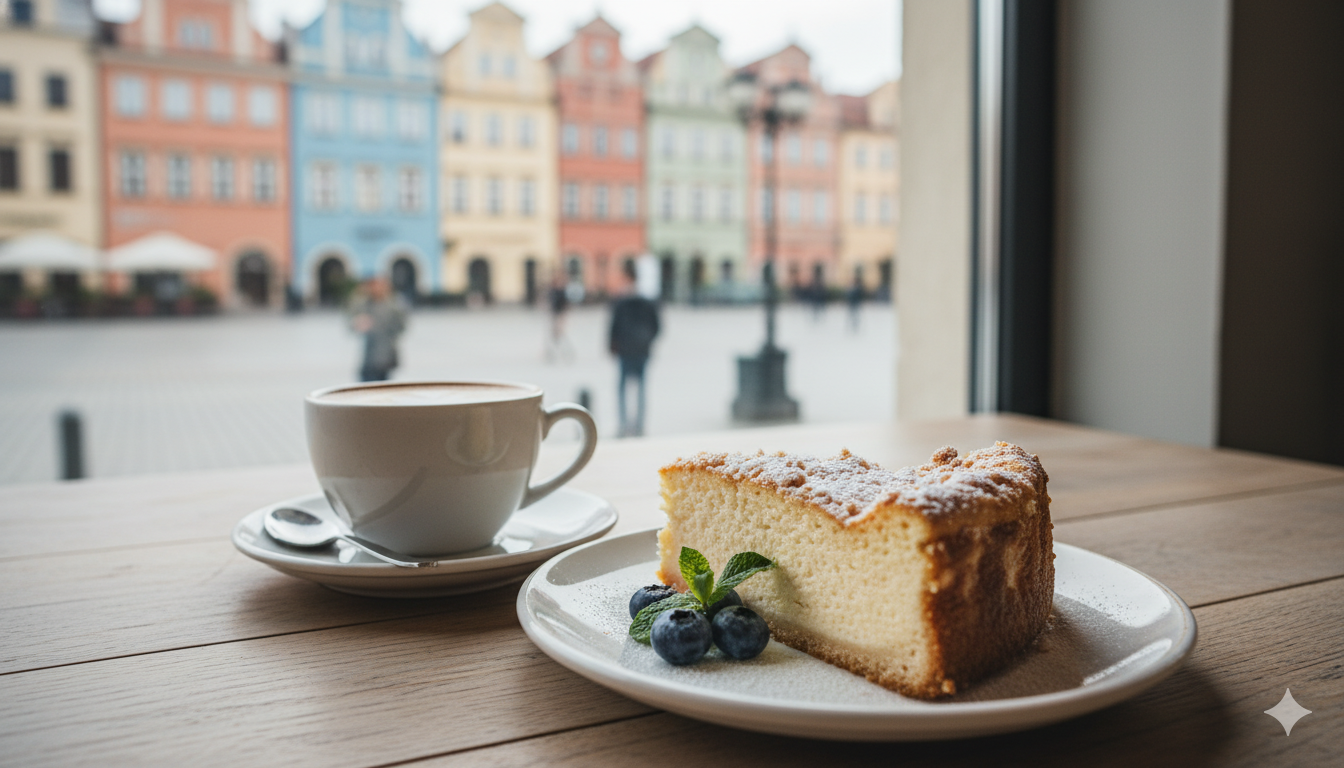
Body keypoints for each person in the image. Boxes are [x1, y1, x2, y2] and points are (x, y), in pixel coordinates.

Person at [608, 263, 660, 437]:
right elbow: (657, 326)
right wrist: (648, 341)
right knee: (642, 387)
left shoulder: (620, 301)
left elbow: (613, 326)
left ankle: (623, 425)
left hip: (625, 349)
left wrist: (611, 345)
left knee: (623, 388)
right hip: (643, 349)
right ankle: (639, 425)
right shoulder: (648, 300)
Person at [348, 277, 408, 382]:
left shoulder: (393, 305)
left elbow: (401, 327)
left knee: (382, 384)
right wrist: (358, 323)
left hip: (386, 354)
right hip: (369, 356)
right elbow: (351, 323)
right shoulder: (364, 304)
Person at [545, 272, 573, 363]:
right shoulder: (553, 290)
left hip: (561, 315)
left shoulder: (562, 291)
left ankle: (563, 350)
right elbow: (549, 301)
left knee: (560, 333)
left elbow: (566, 304)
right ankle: (552, 351)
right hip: (554, 314)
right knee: (554, 334)